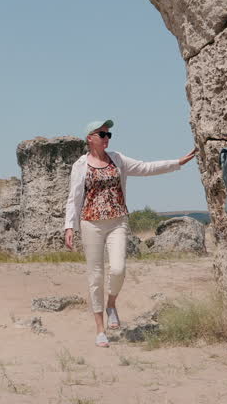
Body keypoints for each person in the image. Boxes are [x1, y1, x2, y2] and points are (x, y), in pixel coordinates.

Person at [63, 119, 195, 347]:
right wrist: (69, 226)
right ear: (90, 138)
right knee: (95, 276)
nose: (106, 138)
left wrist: (177, 163)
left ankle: (111, 304)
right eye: (102, 134)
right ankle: (100, 329)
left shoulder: (118, 159)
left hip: (118, 222)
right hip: (91, 224)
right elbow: (73, 198)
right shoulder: (80, 165)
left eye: (109, 134)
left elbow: (146, 168)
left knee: (118, 269)